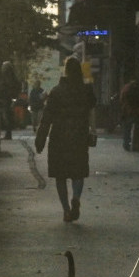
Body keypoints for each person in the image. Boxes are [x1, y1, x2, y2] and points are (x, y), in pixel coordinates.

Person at [34, 56, 96, 223]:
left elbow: (46, 118)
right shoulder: (86, 91)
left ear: (66, 71)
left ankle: (66, 210)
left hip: (59, 138)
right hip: (79, 137)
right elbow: (91, 113)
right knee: (78, 172)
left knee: (60, 176)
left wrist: (40, 139)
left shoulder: (56, 91)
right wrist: (93, 131)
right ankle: (76, 197)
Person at [119, 76, 139, 151]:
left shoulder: (126, 88)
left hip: (128, 111)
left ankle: (126, 144)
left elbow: (122, 99)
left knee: (127, 128)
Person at [0, 61, 21, 136]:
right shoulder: (7, 77)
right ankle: (8, 133)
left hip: (7, 99)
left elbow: (11, 88)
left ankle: (8, 133)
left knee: (6, 116)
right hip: (5, 98)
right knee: (6, 116)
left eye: (3, 67)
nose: (2, 68)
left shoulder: (9, 77)